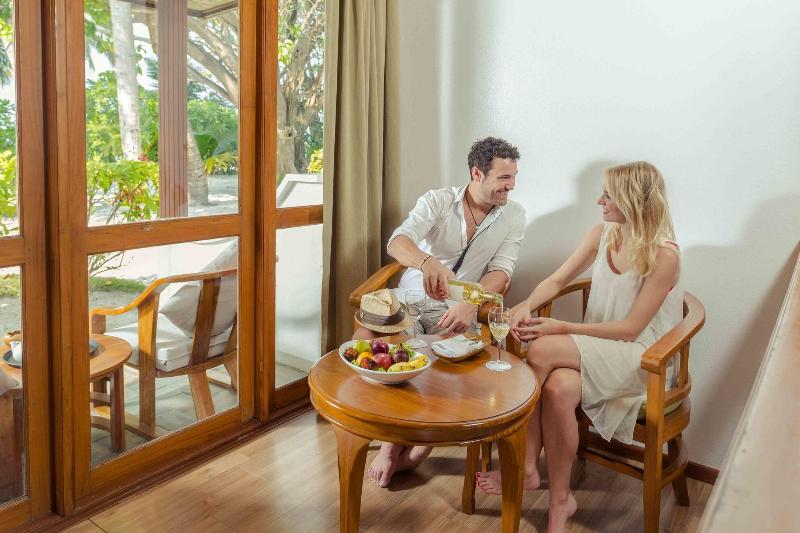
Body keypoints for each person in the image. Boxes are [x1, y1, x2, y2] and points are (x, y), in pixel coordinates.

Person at [476, 161, 683, 533]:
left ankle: (525, 464)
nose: (599, 200)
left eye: (608, 195)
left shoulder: (664, 255)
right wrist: (525, 306)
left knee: (541, 350)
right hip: (600, 348)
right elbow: (557, 280)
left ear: (633, 201)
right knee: (558, 388)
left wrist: (562, 326)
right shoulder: (603, 233)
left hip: (643, 358)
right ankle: (561, 500)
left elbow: (631, 329)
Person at [358, 136, 527, 488]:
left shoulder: (514, 215)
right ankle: (393, 440)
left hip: (455, 310)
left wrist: (472, 302)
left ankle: (406, 440)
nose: (510, 186)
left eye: (513, 177)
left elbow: (502, 271)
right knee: (385, 343)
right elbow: (398, 241)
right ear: (477, 173)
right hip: (410, 297)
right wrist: (427, 262)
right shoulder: (438, 201)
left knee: (444, 360)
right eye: (503, 178)